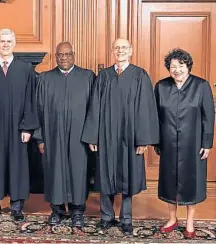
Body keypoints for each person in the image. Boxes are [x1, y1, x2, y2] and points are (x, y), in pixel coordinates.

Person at [81, 38, 159, 235]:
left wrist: (142, 139)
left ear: (131, 51)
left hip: (129, 135)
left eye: (124, 48)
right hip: (106, 134)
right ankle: (106, 216)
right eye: (117, 48)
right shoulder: (104, 76)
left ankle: (126, 218)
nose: (120, 51)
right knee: (106, 174)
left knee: (127, 175)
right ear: (112, 51)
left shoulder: (139, 75)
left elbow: (146, 108)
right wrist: (92, 137)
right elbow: (95, 107)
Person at [0, 28, 39, 222]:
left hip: (17, 128)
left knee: (17, 165)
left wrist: (27, 127)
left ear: (14, 43)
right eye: (2, 41)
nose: (5, 44)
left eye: (8, 41)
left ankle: (17, 206)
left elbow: (31, 99)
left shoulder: (25, 69)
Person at [154, 48, 214, 239]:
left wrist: (207, 142)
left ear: (188, 66)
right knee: (169, 181)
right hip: (168, 142)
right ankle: (172, 219)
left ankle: (190, 222)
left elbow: (208, 117)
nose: (177, 70)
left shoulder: (202, 86)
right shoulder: (161, 87)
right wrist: (156, 141)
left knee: (192, 182)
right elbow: (155, 116)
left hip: (193, 144)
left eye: (181, 65)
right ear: (168, 68)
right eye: (173, 66)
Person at [34, 42, 95, 228]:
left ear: (74, 55)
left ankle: (78, 211)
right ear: (55, 56)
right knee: (55, 171)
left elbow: (95, 110)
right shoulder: (45, 79)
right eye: (60, 55)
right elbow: (37, 109)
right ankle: (57, 210)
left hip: (80, 136)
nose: (64, 58)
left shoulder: (87, 77)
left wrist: (92, 136)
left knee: (78, 171)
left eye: (68, 54)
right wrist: (40, 138)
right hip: (53, 135)